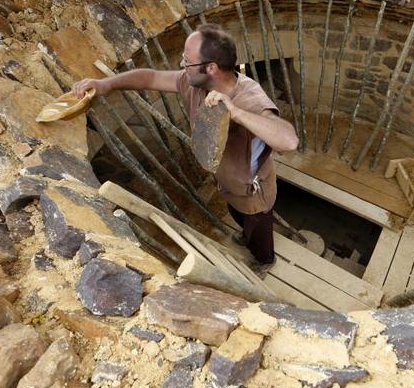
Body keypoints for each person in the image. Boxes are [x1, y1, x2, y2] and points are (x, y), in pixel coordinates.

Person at [72, 23, 298, 265]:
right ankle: (245, 235)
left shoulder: (248, 97)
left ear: (211, 68)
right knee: (237, 215)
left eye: (187, 61)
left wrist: (235, 112)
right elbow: (151, 77)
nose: (181, 65)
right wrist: (106, 84)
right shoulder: (196, 83)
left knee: (258, 230)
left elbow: (289, 140)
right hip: (228, 183)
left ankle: (265, 260)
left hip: (253, 193)